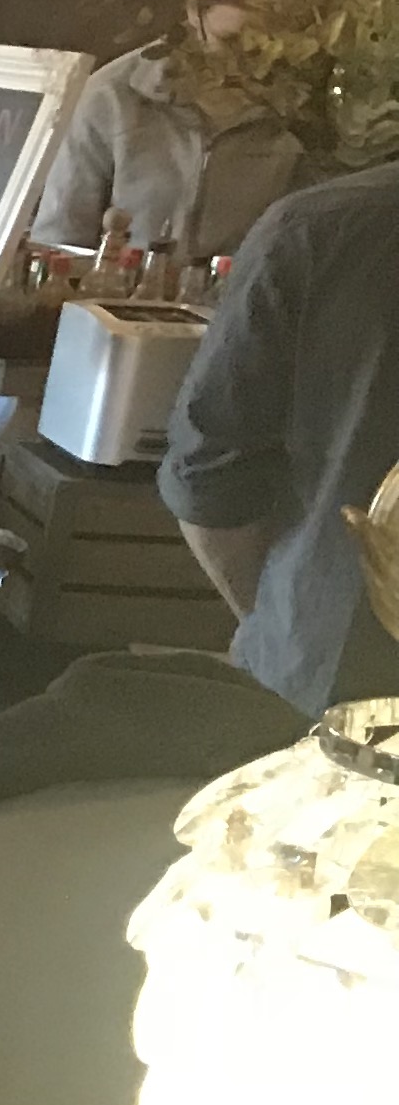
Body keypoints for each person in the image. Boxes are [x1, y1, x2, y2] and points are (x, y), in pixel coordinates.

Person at [156, 159, 399, 710]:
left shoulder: (320, 227)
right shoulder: (318, 226)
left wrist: (280, 624)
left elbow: (209, 486)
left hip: (336, 693)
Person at [30, 0, 307, 273]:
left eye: (265, 46)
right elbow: (59, 240)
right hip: (116, 294)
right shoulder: (111, 96)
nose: (251, 63)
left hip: (246, 295)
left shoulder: (308, 106)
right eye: (232, 42)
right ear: (193, 11)